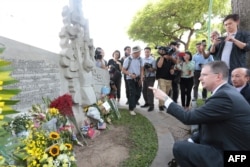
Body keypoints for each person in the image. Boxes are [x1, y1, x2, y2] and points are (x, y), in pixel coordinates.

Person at [149, 61, 250, 167]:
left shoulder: (225, 97)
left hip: (236, 158)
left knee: (179, 147)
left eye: (204, 75)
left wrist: (165, 99)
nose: (199, 78)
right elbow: (208, 122)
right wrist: (192, 139)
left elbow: (188, 117)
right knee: (186, 144)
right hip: (227, 146)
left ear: (218, 77)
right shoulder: (226, 92)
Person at [210, 13, 250, 82]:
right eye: (226, 25)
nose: (228, 26)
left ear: (237, 22)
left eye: (230, 23)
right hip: (221, 70)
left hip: (236, 70)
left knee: (235, 91)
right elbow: (212, 52)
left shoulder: (244, 34)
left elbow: (247, 47)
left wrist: (234, 40)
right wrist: (213, 44)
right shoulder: (222, 38)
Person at [122, 45, 144, 115]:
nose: (140, 53)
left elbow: (142, 69)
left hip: (138, 78)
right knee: (132, 93)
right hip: (130, 79)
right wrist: (130, 74)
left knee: (138, 93)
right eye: (139, 52)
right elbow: (123, 70)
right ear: (135, 52)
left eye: (140, 52)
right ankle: (131, 109)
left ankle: (133, 104)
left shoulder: (140, 59)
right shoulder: (128, 59)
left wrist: (141, 78)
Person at [155, 46, 176, 111]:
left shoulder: (170, 60)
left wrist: (172, 69)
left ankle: (163, 104)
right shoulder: (160, 58)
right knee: (162, 92)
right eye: (168, 54)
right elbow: (159, 65)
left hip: (169, 78)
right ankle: (161, 105)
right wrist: (162, 56)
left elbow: (175, 63)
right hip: (161, 78)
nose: (169, 55)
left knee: (166, 93)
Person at [141, 47, 156, 112]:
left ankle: (151, 105)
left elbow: (155, 69)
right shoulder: (142, 59)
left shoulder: (153, 60)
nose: (146, 53)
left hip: (151, 76)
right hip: (145, 76)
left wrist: (150, 68)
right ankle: (146, 102)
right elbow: (142, 68)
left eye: (148, 52)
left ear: (150, 52)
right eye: (145, 52)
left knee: (150, 91)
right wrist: (143, 75)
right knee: (144, 90)